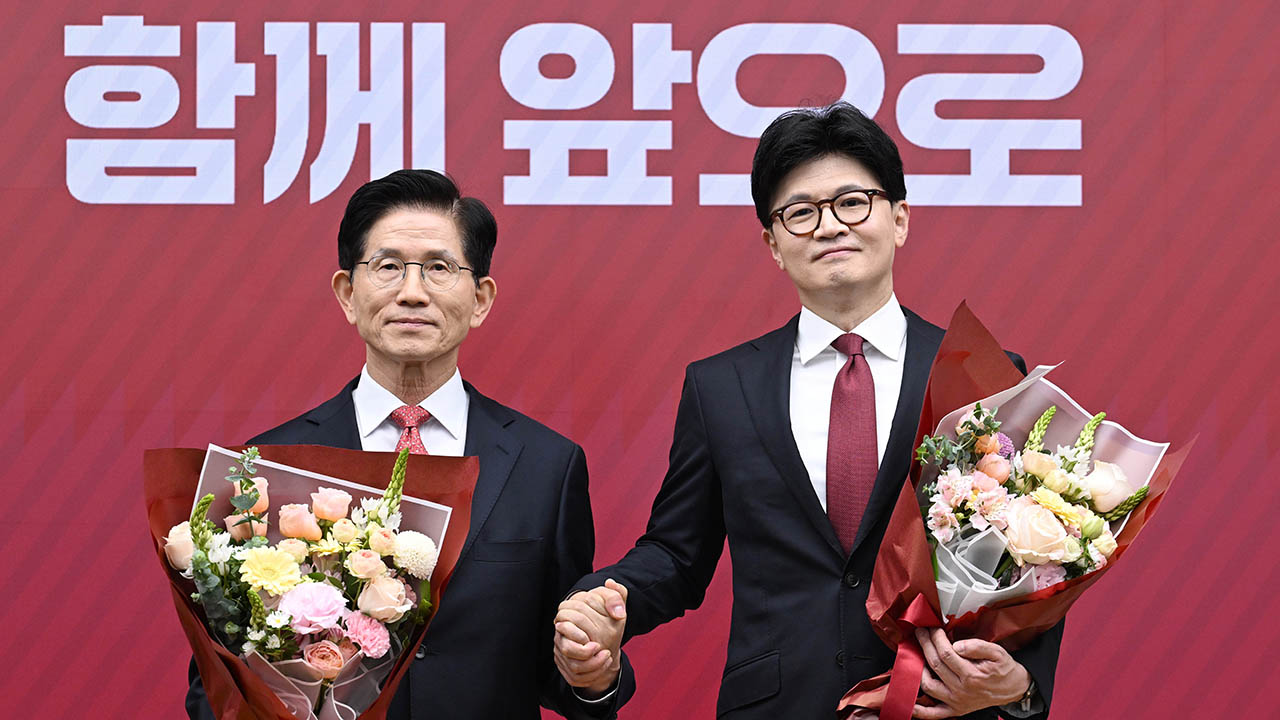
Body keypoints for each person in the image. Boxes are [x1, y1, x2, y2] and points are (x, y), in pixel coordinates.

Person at [552, 103, 1062, 719]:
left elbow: (1039, 551)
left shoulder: (981, 374)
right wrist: (607, 601)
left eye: (853, 202)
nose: (829, 226)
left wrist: (1021, 684)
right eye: (801, 212)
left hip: (939, 702)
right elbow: (677, 555)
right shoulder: (722, 387)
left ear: (900, 219)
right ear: (773, 243)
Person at [185, 169, 633, 720]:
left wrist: (594, 671)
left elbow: (562, 664)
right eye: (388, 266)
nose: (412, 292)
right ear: (348, 294)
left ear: (481, 299)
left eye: (439, 268)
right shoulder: (269, 465)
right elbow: (217, 684)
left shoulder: (547, 465)